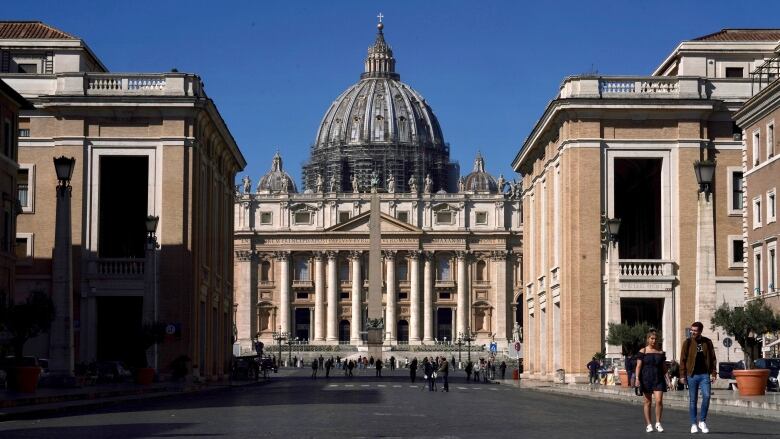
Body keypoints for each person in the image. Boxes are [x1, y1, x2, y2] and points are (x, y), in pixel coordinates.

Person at [680, 321, 717, 434]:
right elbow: (683, 360)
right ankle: (693, 424)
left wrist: (714, 373)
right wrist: (682, 375)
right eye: (692, 330)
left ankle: (702, 421)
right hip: (692, 375)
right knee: (693, 400)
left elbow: (713, 358)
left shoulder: (707, 342)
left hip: (704, 374)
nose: (693, 332)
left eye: (695, 331)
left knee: (706, 396)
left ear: (700, 331)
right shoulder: (687, 343)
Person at [634, 329, 667, 433]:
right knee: (647, 402)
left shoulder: (660, 352)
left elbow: (664, 368)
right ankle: (648, 424)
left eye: (655, 339)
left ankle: (658, 423)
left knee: (659, 401)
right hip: (646, 378)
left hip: (658, 379)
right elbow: (638, 366)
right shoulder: (642, 351)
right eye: (652, 338)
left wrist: (669, 380)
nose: (654, 340)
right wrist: (637, 379)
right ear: (648, 339)